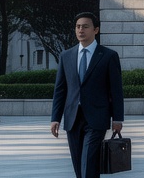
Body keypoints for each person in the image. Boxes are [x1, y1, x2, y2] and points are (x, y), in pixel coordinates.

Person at [49, 11, 124, 178]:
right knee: (78, 166)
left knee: (88, 162)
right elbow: (60, 89)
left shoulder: (108, 56)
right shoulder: (66, 56)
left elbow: (116, 90)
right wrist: (55, 118)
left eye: (85, 26)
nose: (80, 30)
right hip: (72, 118)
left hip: (97, 118)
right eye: (77, 27)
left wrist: (117, 118)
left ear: (96, 30)